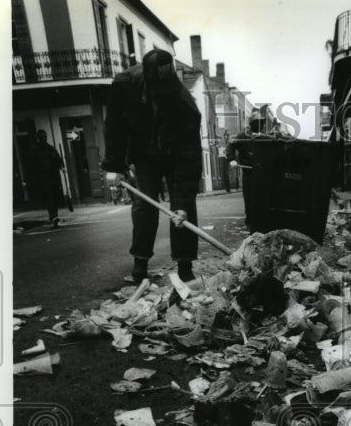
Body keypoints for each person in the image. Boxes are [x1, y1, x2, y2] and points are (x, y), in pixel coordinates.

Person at [102, 49, 203, 284]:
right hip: (144, 153)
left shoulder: (184, 104)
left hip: (176, 155)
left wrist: (185, 194)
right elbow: (114, 126)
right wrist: (115, 166)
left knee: (182, 207)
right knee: (144, 204)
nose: (162, 97)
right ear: (147, 79)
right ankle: (140, 264)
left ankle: (185, 266)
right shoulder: (124, 85)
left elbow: (190, 155)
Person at [226, 109, 266, 231]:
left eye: (262, 123)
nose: (262, 125)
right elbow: (230, 144)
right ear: (252, 123)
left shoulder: (263, 137)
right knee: (249, 197)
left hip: (261, 172)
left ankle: (261, 220)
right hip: (248, 172)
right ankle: (250, 221)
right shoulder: (242, 136)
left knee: (261, 196)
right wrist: (231, 159)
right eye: (259, 123)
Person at [28, 130, 64, 228]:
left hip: (53, 177)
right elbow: (31, 166)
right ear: (38, 137)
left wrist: (60, 163)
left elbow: (59, 161)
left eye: (44, 136)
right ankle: (52, 216)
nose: (43, 138)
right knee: (48, 198)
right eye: (41, 136)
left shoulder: (51, 148)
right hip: (42, 179)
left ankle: (54, 215)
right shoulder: (34, 150)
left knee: (54, 197)